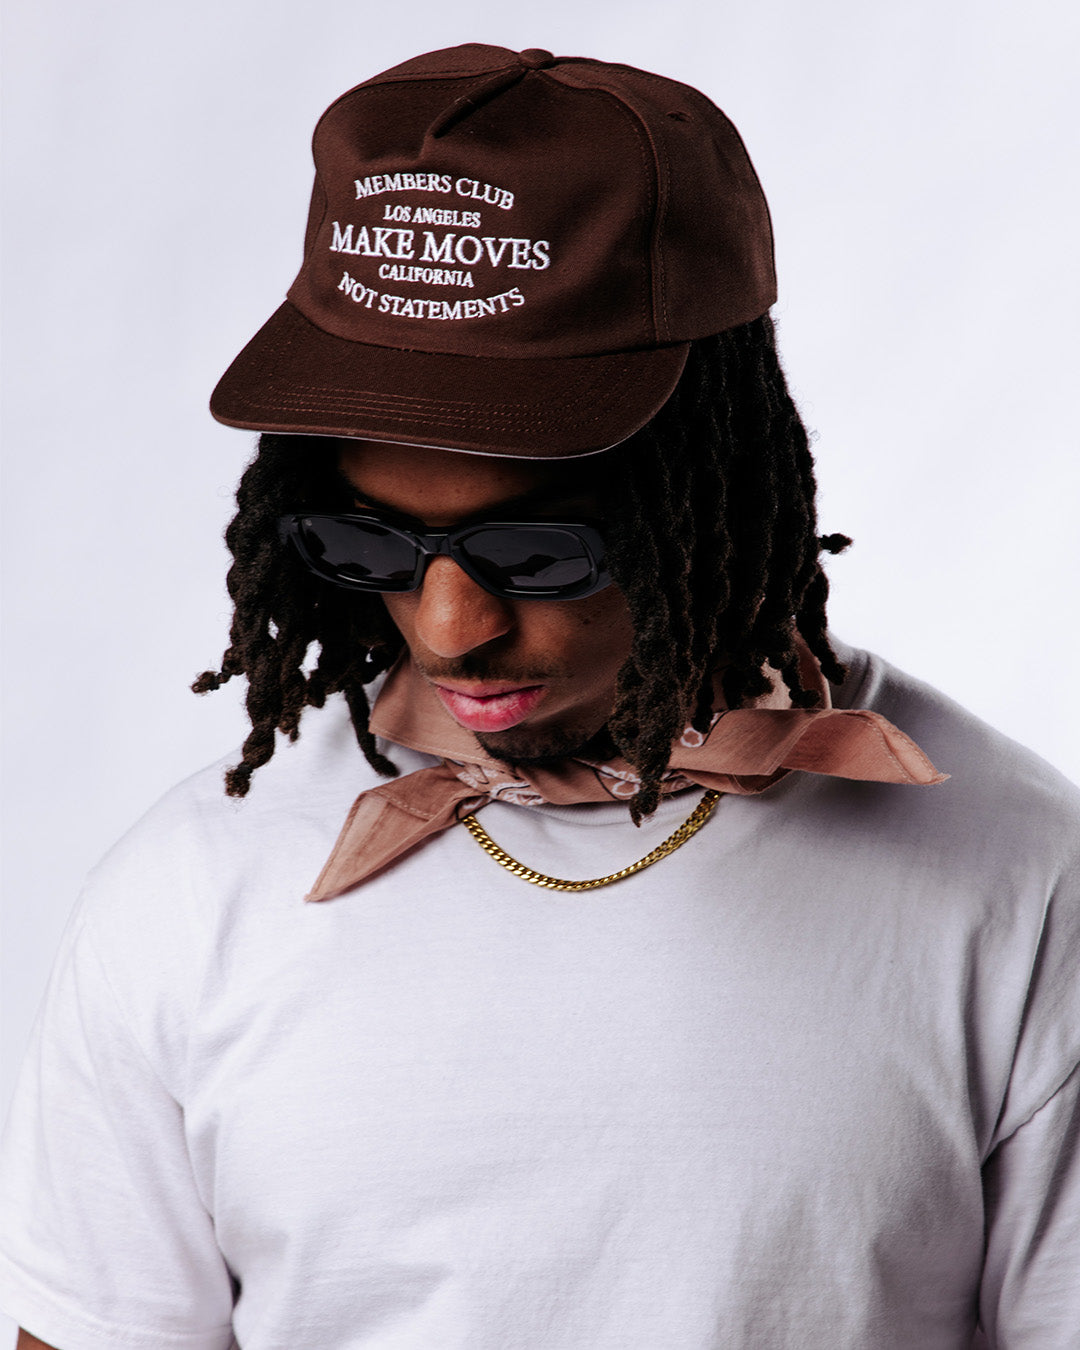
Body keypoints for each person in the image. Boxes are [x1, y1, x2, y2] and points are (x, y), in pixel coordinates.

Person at [1, 42, 1078, 1350]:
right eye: (369, 543)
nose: (448, 628)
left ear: (719, 479)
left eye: (537, 549)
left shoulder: (1018, 880)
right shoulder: (188, 897)